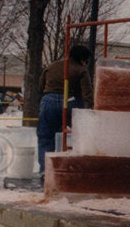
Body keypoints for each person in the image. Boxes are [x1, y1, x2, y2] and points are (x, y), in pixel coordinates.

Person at [36, 45, 93, 176]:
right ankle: (74, 168)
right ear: (83, 59)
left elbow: (40, 85)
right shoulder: (81, 70)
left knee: (46, 136)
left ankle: (45, 170)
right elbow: (87, 93)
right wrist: (90, 111)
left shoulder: (52, 66)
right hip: (71, 101)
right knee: (78, 136)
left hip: (48, 100)